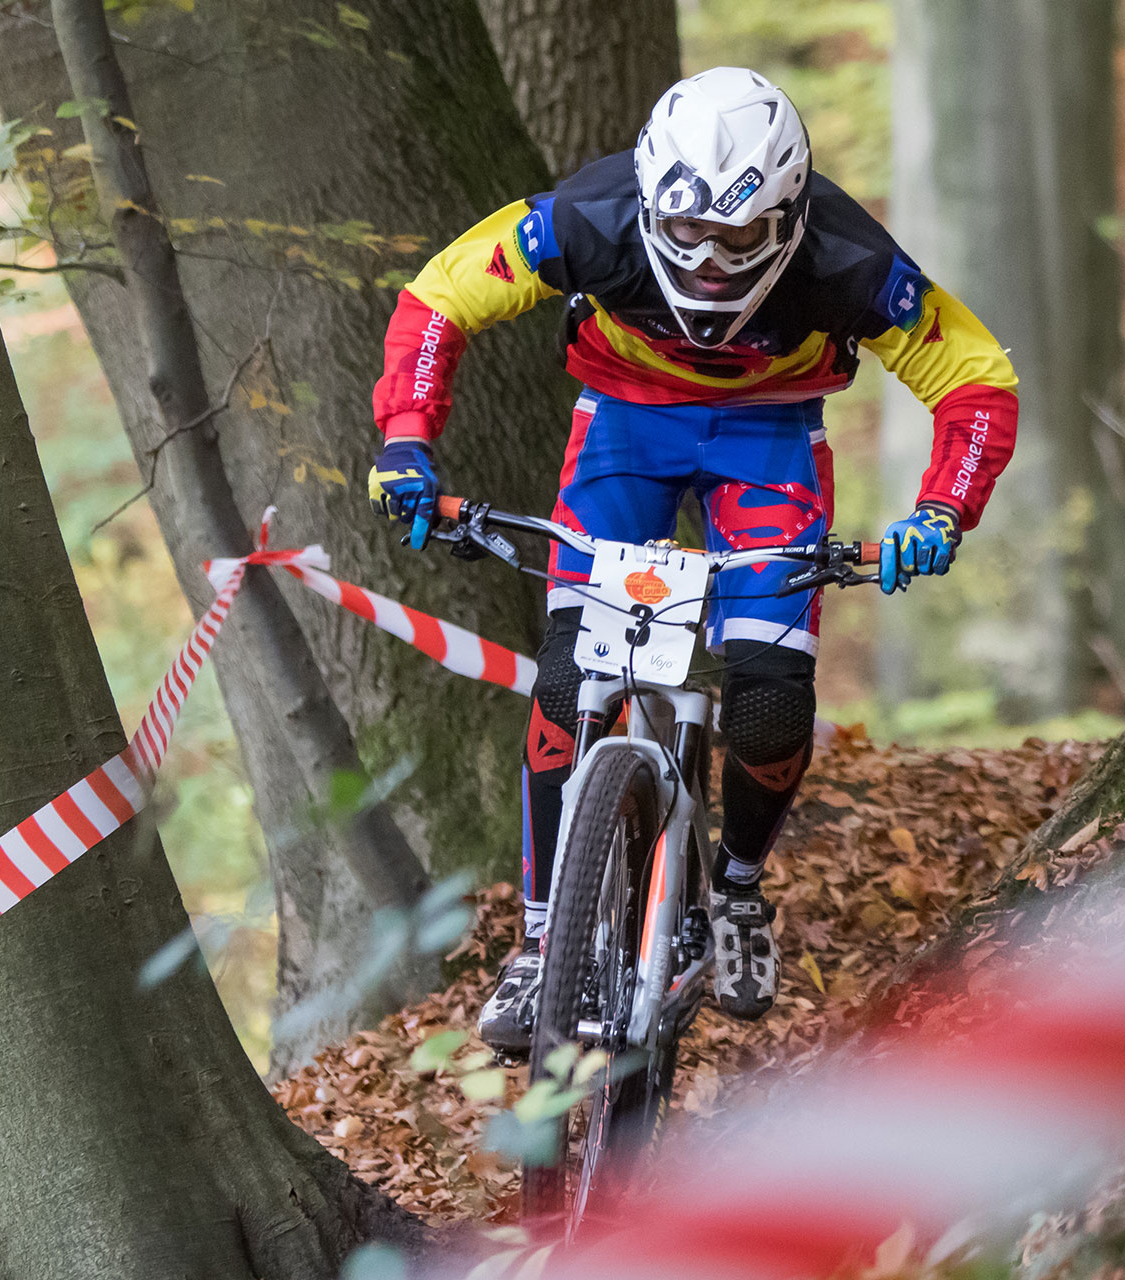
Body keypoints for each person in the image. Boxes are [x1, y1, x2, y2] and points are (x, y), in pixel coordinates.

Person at [364, 67, 1018, 1050]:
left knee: (766, 696)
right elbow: (438, 300)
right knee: (564, 681)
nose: (710, 265)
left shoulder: (846, 257)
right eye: (687, 235)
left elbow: (972, 375)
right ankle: (542, 940)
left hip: (768, 439)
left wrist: (941, 512)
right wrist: (406, 439)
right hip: (625, 428)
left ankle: (740, 894)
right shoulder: (586, 217)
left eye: (740, 239)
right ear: (648, 197)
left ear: (789, 217)